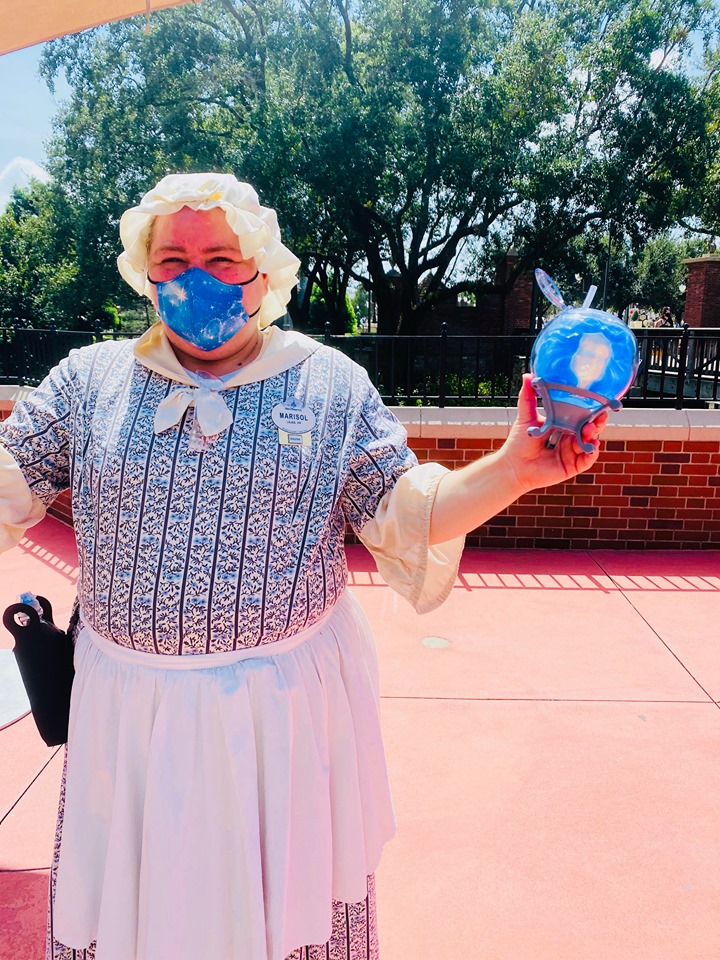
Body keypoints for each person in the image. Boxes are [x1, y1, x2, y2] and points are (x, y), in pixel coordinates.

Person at [0, 173, 606, 960]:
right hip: (131, 721)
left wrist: (513, 470)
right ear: (144, 272)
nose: (195, 277)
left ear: (261, 268)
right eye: (173, 257)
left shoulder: (329, 383)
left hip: (280, 721)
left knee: (285, 919)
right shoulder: (89, 382)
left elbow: (403, 512)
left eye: (221, 256)